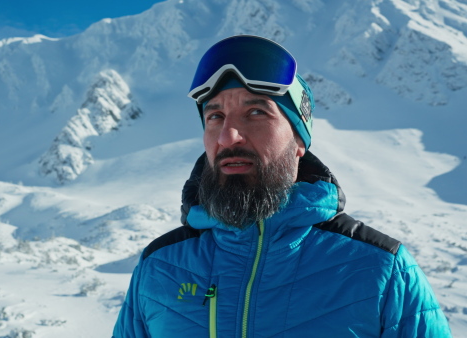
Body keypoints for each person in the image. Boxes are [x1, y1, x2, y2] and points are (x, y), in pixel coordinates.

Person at [112, 35, 451, 337]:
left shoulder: (382, 270)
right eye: (215, 116)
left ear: (299, 142)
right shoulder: (159, 266)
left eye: (256, 112)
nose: (229, 136)